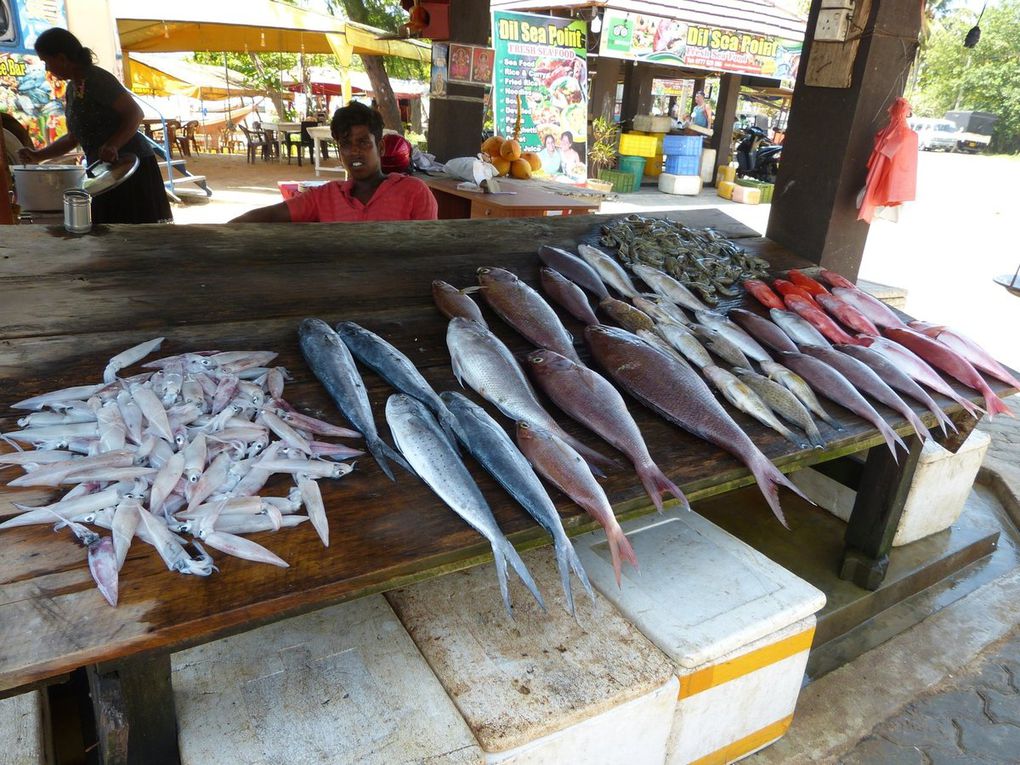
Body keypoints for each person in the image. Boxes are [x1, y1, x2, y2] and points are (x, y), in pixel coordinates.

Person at [16, 28, 172, 224]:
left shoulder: (98, 79)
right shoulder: (73, 88)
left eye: (47, 61)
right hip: (104, 173)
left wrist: (113, 144)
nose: (47, 69)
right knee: (109, 234)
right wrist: (38, 155)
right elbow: (73, 138)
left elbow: (135, 113)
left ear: (62, 57)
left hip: (130, 168)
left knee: (134, 234)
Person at [231, 101, 437, 223]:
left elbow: (430, 251)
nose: (354, 151)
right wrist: (219, 232)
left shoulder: (413, 192)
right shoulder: (325, 197)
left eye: (363, 142)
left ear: (380, 147)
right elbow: (273, 215)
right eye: (346, 144)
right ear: (339, 151)